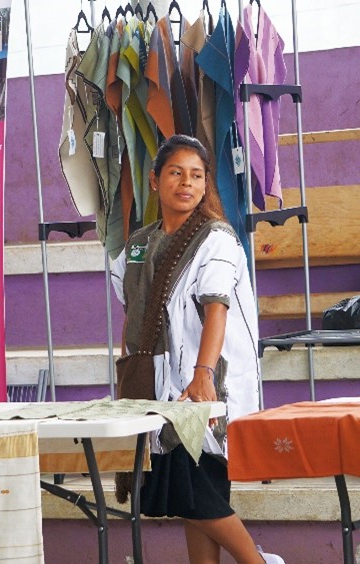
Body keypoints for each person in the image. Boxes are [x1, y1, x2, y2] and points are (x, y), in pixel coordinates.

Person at [111, 135, 284, 564]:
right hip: (157, 387)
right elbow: (132, 311)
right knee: (192, 495)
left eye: (197, 175)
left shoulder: (217, 239)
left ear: (206, 184)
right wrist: (130, 370)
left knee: (195, 489)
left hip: (203, 384)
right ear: (155, 180)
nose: (186, 183)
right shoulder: (138, 244)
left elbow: (216, 308)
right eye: (176, 173)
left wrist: (203, 373)